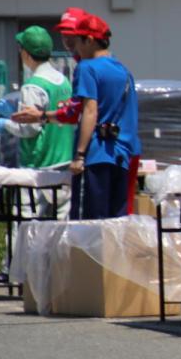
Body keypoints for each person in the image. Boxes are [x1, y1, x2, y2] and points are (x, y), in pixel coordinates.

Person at [64, 14, 139, 220]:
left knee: (88, 224)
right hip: (121, 156)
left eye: (77, 41)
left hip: (95, 155)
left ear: (89, 40)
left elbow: (90, 110)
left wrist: (80, 155)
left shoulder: (87, 67)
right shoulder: (124, 71)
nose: (75, 47)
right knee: (115, 222)